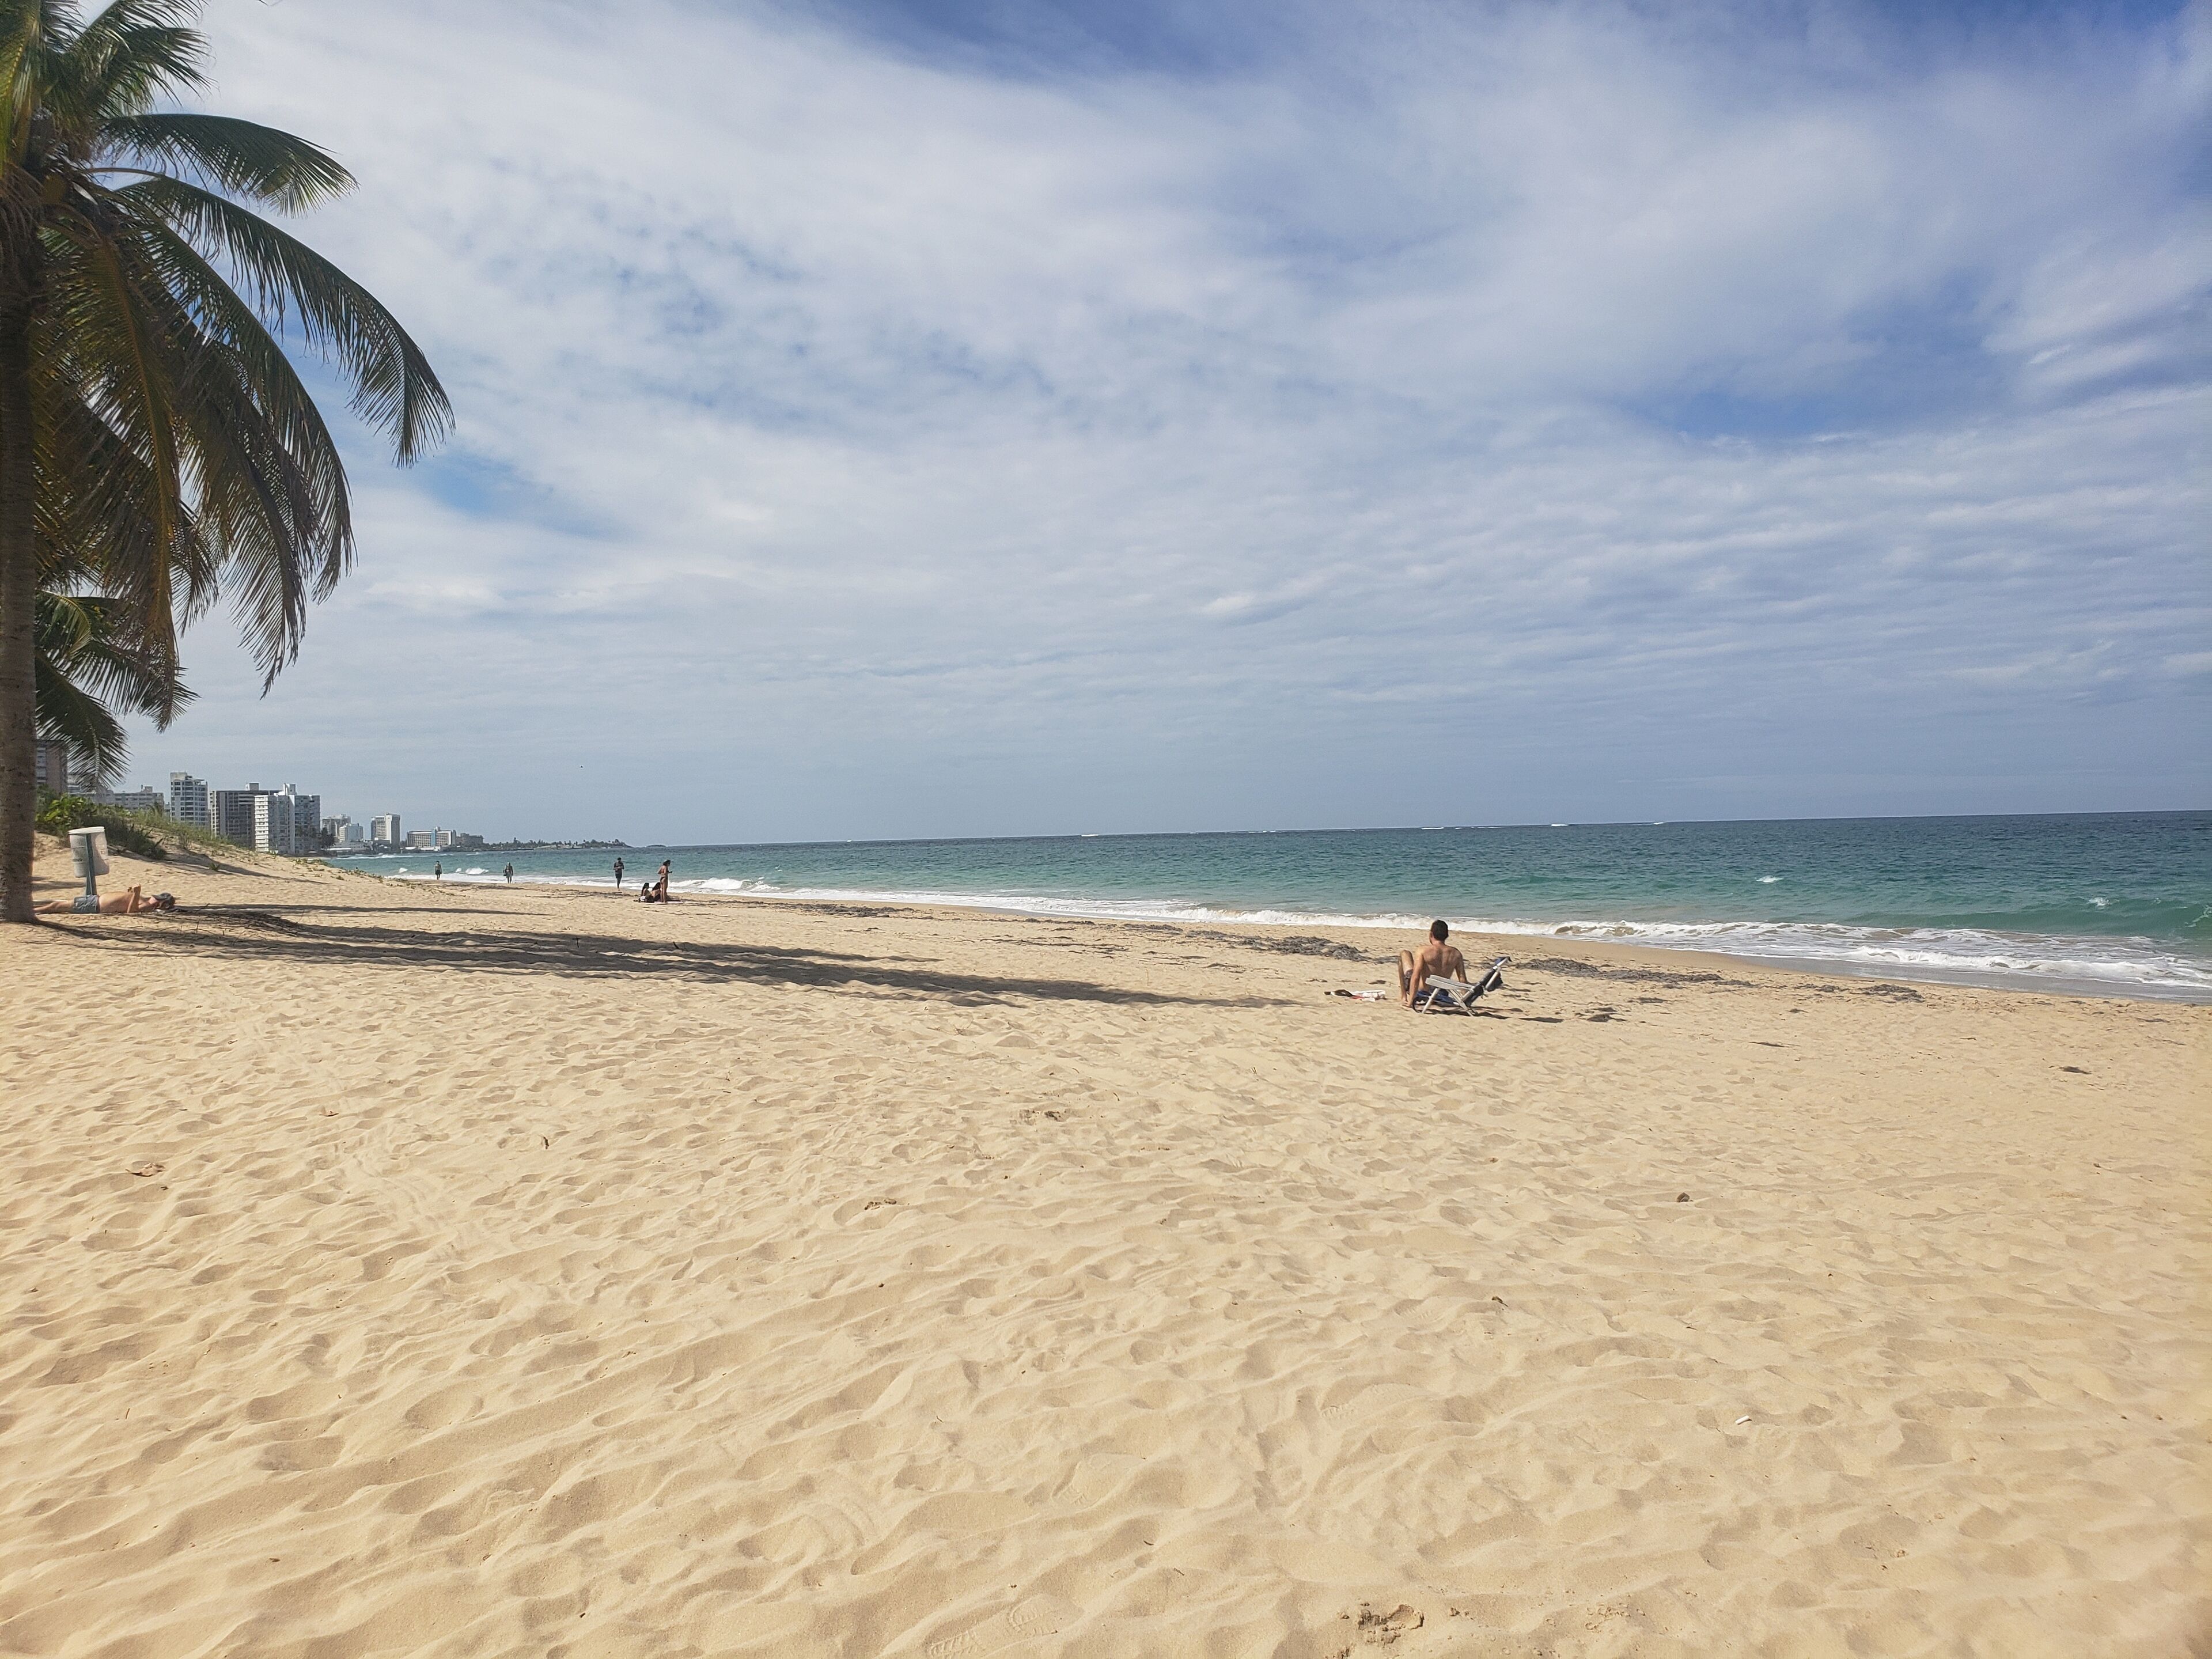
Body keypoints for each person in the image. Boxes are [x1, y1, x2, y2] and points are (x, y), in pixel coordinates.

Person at [1398, 919, 1468, 1009]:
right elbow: (1462, 979)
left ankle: (1404, 997)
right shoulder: (1456, 953)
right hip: (1442, 993)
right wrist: (1465, 1001)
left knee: (1404, 953)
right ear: (1447, 936)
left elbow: (1416, 976)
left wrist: (1411, 1001)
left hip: (1423, 992)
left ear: (1431, 934)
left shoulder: (1423, 951)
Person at [35, 886, 175, 916]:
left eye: (156, 898)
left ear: (160, 903)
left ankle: (32, 911)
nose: (153, 897)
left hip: (95, 905)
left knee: (56, 906)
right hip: (95, 900)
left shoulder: (146, 906)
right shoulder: (144, 901)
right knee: (57, 904)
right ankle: (33, 910)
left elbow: (132, 911)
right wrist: (132, 892)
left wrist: (136, 894)